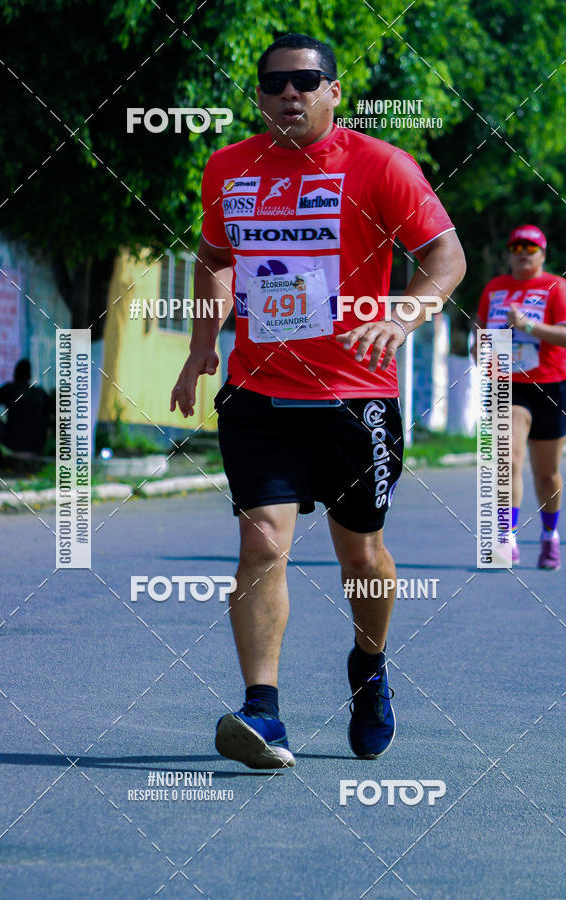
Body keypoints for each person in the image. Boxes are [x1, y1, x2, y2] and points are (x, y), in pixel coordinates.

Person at [171, 33, 466, 769]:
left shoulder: (380, 166)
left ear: (335, 91)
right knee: (260, 542)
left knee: (358, 550)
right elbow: (214, 261)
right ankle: (263, 713)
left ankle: (368, 668)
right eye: (274, 84)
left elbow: (446, 257)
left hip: (352, 395)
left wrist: (405, 313)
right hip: (258, 392)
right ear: (261, 97)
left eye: (306, 81)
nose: (289, 94)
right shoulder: (229, 168)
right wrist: (202, 344)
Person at [474, 225, 566, 570]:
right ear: (508, 253)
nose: (523, 252)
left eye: (530, 248)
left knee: (546, 472)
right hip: (508, 384)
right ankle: (506, 538)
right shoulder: (495, 288)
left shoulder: (557, 287)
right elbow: (480, 327)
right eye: (516, 246)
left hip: (550, 386)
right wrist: (480, 346)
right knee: (507, 459)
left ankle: (550, 535)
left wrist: (528, 326)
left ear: (542, 254)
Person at [0, 359, 49, 461]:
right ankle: (36, 451)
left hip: (14, 441)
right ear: (29, 375)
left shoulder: (10, 389)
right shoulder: (40, 393)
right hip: (37, 444)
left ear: (15, 374)